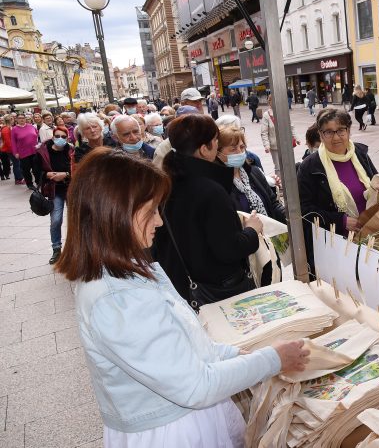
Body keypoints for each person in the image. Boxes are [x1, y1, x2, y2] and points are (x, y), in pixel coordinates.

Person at [54, 147, 309, 446]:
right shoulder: (116, 298)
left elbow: (182, 344)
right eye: (150, 212)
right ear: (115, 214)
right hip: (171, 433)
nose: (159, 222)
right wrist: (273, 359)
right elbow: (195, 386)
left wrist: (234, 355)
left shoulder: (125, 270)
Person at [153, 114, 264, 305]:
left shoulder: (167, 182)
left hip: (182, 286)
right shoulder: (210, 190)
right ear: (205, 149)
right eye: (215, 140)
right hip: (218, 291)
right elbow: (229, 249)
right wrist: (252, 231)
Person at [298, 108, 379, 239]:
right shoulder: (309, 166)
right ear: (321, 134)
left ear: (348, 131)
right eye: (329, 132)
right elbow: (304, 209)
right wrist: (340, 221)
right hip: (336, 243)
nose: (336, 137)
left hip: (371, 235)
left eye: (341, 130)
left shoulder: (359, 153)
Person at [217, 119, 286, 224]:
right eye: (233, 149)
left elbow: (273, 203)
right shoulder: (219, 185)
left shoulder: (254, 173)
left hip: (270, 235)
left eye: (242, 147)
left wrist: (289, 215)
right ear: (218, 153)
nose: (240, 152)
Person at [37, 124, 73, 264]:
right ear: (52, 136)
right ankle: (56, 249)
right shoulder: (43, 151)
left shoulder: (71, 150)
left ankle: (75, 249)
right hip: (55, 190)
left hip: (70, 188)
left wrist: (66, 174)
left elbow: (78, 169)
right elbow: (37, 170)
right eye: (57, 136)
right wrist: (47, 174)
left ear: (67, 138)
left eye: (63, 137)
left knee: (76, 220)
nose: (60, 139)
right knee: (56, 220)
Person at [261, 94, 298, 174]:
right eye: (272, 100)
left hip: (286, 144)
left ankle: (291, 182)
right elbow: (264, 132)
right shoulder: (266, 115)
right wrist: (266, 145)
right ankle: (280, 184)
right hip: (274, 145)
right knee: (278, 167)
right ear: (269, 102)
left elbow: (291, 126)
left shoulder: (283, 111)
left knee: (289, 164)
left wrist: (296, 138)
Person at [11, 113, 41, 190]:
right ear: (16, 119)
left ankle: (38, 182)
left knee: (36, 168)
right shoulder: (14, 129)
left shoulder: (31, 126)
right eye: (20, 118)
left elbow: (37, 136)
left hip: (34, 150)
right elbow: (13, 142)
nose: (22, 119)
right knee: (26, 169)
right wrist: (15, 152)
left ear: (26, 119)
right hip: (23, 152)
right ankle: (29, 184)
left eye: (23, 118)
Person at [0, 114, 14, 181]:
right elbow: (7, 140)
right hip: (4, 148)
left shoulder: (5, 128)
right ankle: (4, 174)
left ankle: (5, 174)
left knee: (6, 162)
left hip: (3, 147)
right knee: (6, 162)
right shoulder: (5, 128)